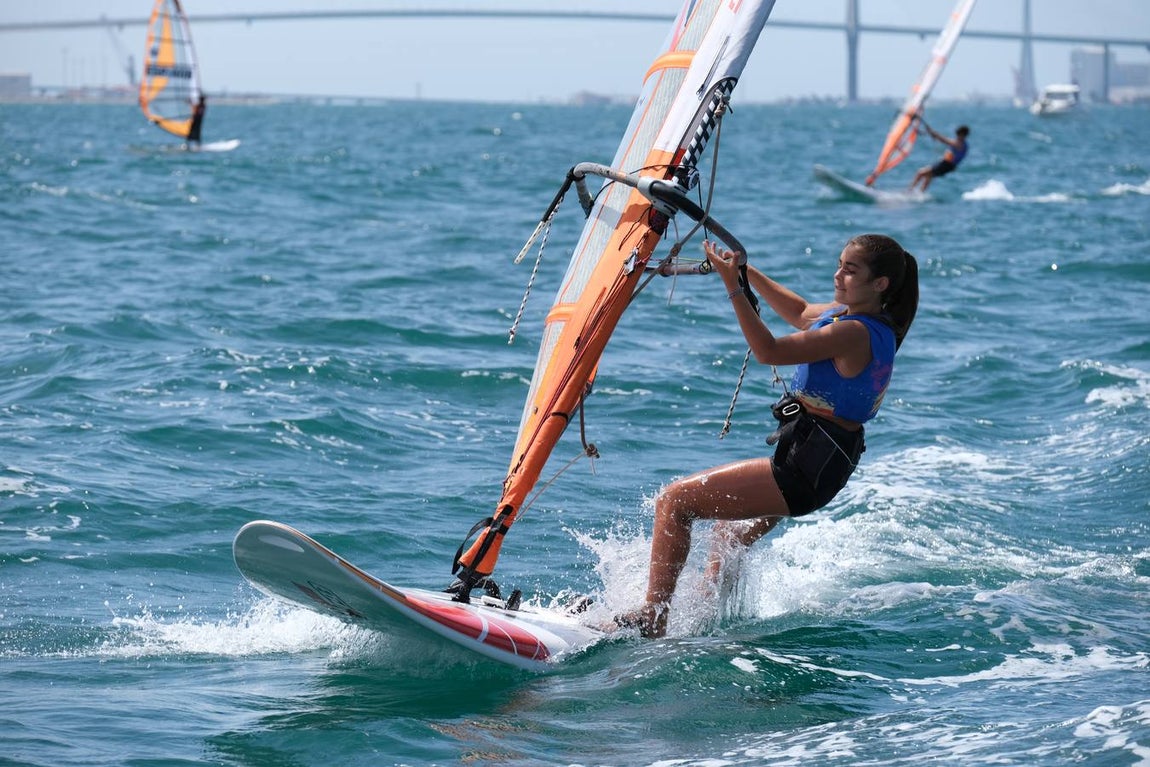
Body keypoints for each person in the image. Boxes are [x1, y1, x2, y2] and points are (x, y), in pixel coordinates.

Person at [615, 234, 919, 638]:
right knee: (727, 534)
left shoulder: (855, 333)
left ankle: (652, 619)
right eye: (839, 263)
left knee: (674, 503)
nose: (838, 275)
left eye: (850, 269)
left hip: (804, 469)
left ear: (880, 284)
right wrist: (745, 270)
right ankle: (708, 619)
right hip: (821, 462)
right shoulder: (857, 319)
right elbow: (799, 311)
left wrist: (733, 287)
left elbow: (769, 350)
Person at [909, 123, 969, 192]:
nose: (957, 136)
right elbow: (943, 140)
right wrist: (932, 133)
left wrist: (933, 133)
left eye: (958, 135)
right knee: (928, 176)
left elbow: (944, 140)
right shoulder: (962, 143)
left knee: (920, 172)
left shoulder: (959, 144)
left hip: (946, 165)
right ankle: (920, 194)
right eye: (957, 134)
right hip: (946, 165)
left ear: (963, 135)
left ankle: (909, 191)